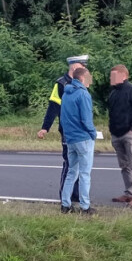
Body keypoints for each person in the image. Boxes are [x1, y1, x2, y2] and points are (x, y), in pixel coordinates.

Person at [38, 55, 89, 202]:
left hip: (81, 131)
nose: (85, 69)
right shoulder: (61, 84)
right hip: (67, 130)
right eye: (83, 66)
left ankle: (76, 195)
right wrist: (45, 128)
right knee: (70, 163)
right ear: (74, 67)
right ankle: (65, 196)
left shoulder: (81, 82)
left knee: (80, 163)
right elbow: (53, 107)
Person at [108, 64, 132, 207]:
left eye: (114, 75)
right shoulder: (113, 93)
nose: (111, 78)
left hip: (131, 133)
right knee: (124, 165)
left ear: (123, 75)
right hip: (116, 134)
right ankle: (129, 193)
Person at [60, 67, 97, 214]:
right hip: (83, 138)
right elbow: (86, 118)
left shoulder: (66, 93)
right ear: (82, 78)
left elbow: (63, 118)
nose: (90, 80)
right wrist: (93, 133)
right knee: (85, 173)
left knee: (71, 172)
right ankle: (85, 206)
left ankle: (65, 204)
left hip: (70, 138)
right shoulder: (83, 94)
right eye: (88, 77)